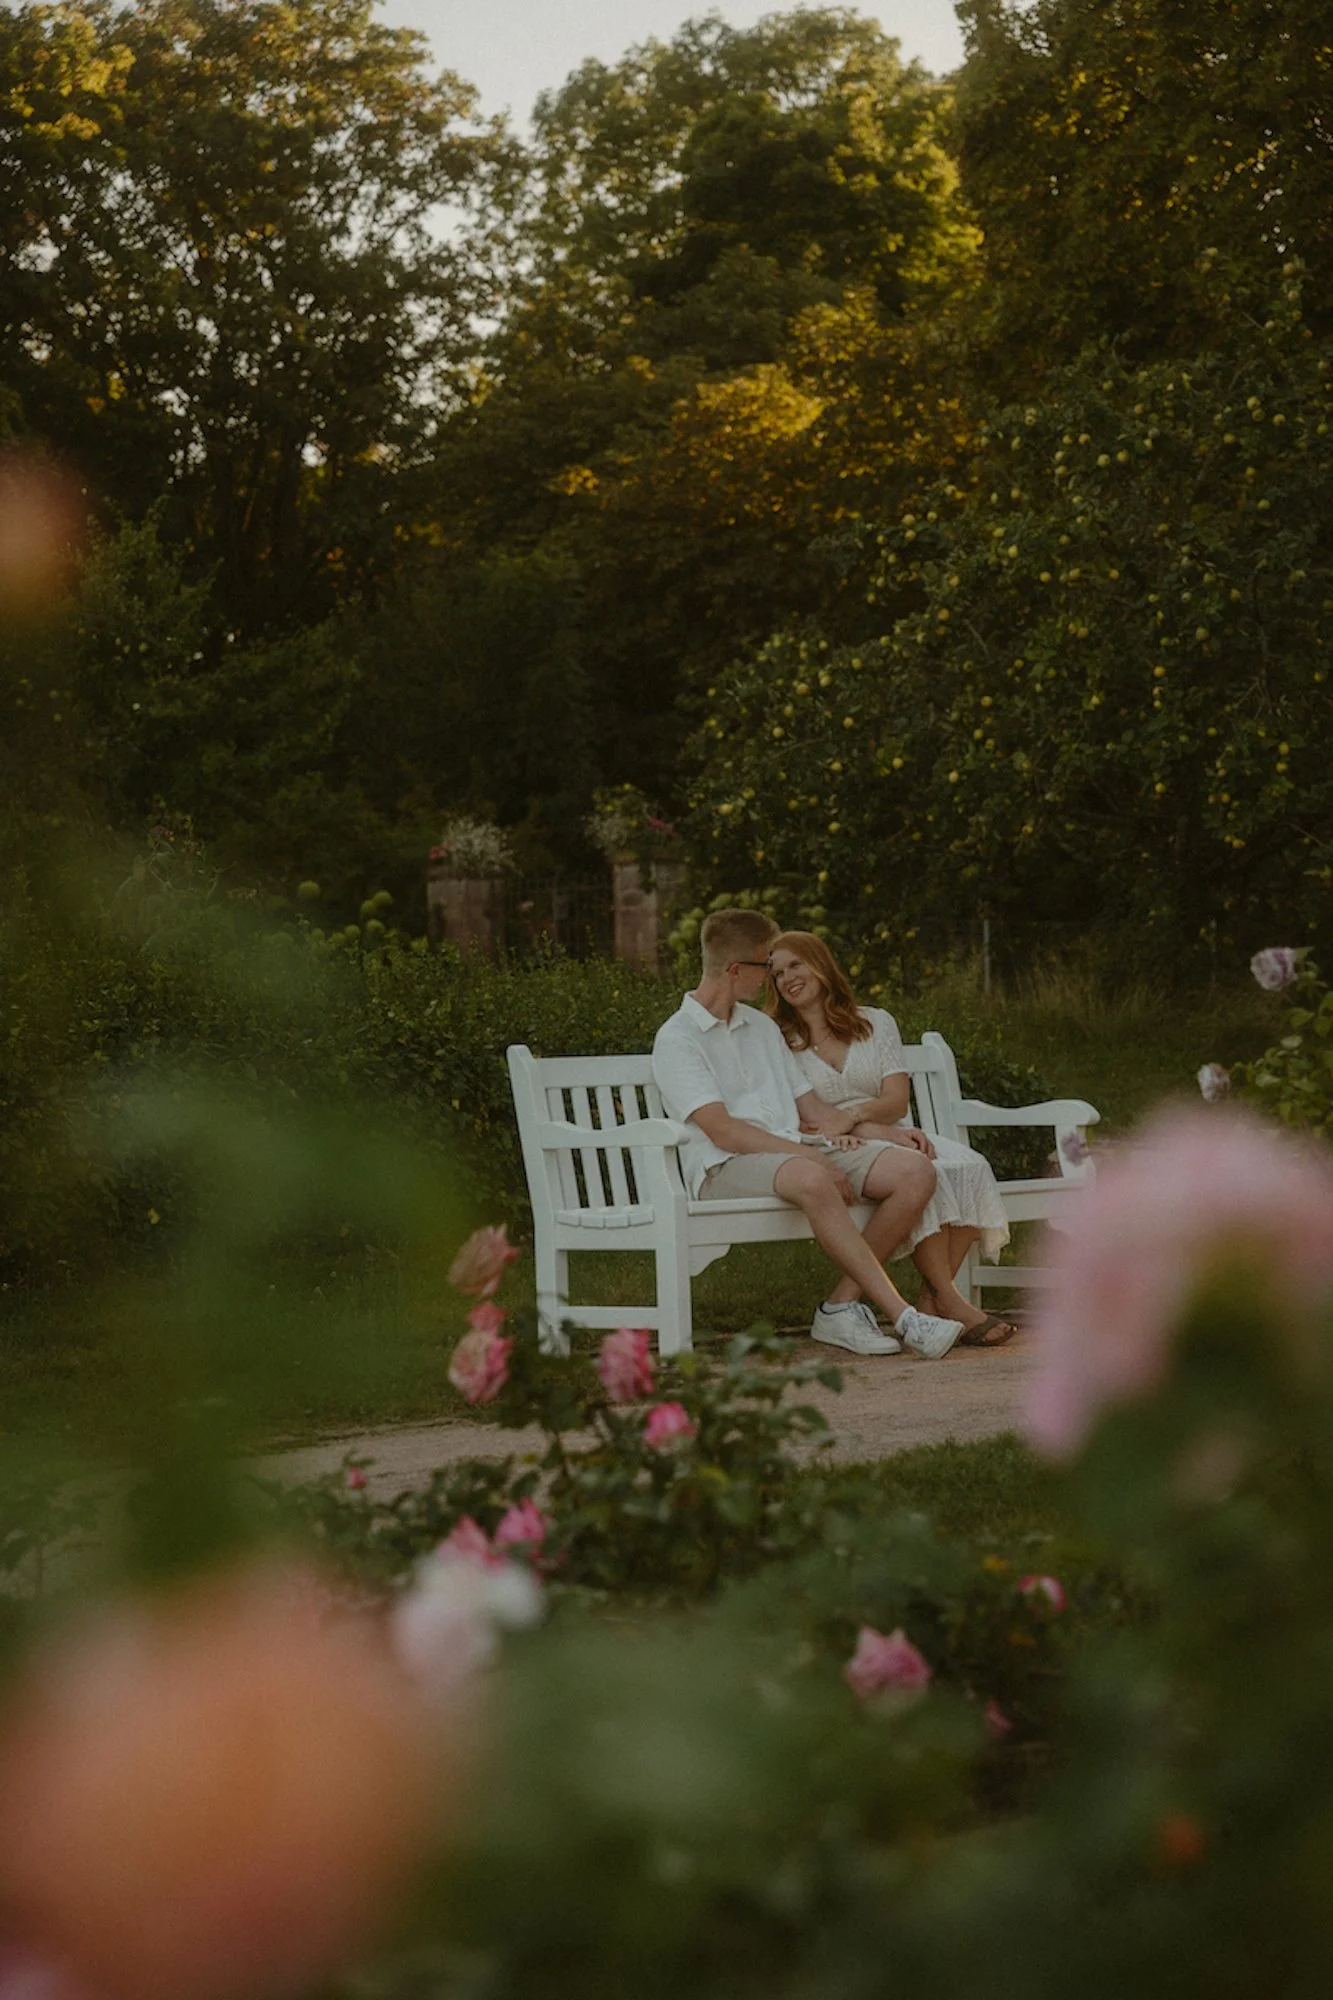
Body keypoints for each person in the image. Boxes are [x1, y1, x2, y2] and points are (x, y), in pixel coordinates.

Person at [651, 907, 965, 1359]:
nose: (772, 978)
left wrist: (879, 1131)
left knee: (914, 1172)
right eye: (766, 966)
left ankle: (838, 1308)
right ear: (736, 969)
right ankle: (905, 1317)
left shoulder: (761, 1028)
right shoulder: (678, 1039)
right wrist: (811, 1156)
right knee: (812, 1176)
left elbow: (812, 1110)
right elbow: (725, 1132)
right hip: (724, 1167)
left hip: (795, 1152)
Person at [765, 930, 1018, 1347]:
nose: (788, 978)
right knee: (921, 1172)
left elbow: (896, 1100)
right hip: (833, 1144)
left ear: (821, 964)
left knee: (968, 1167)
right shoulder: (778, 1040)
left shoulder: (874, 1022)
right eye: (777, 974)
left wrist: (859, 1119)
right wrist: (862, 1130)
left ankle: (931, 1299)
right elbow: (802, 1116)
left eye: (796, 965)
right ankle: (949, 1299)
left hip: (890, 1131)